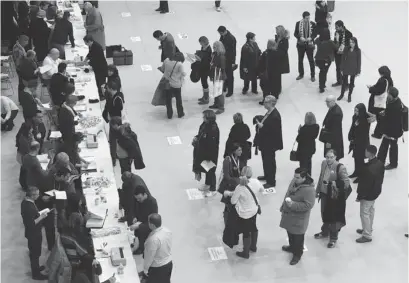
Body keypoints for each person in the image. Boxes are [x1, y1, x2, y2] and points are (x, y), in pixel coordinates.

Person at [224, 166, 262, 259]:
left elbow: (233, 201)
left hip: (244, 213)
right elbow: (262, 190)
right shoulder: (256, 182)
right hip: (254, 209)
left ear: (241, 174)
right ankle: (253, 247)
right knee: (254, 227)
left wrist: (229, 193)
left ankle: (245, 253)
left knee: (246, 232)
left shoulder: (240, 187)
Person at [314, 149, 350, 248]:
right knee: (324, 214)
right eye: (327, 157)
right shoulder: (324, 163)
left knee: (334, 217)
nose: (329, 159)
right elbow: (321, 177)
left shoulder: (340, 167)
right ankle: (325, 231)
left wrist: (334, 184)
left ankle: (333, 238)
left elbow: (346, 183)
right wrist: (318, 190)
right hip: (324, 194)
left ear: (335, 157)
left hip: (334, 197)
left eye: (331, 157)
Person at [280, 168, 315, 265]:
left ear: (304, 178)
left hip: (299, 218)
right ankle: (291, 247)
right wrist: (283, 206)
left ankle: (297, 254)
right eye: (294, 176)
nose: (295, 179)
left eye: (298, 177)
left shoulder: (309, 190)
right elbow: (287, 193)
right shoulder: (294, 181)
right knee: (290, 232)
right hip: (289, 214)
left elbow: (309, 205)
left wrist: (293, 205)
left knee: (298, 237)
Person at [356, 145, 384, 243]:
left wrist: (359, 196)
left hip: (367, 195)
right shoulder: (380, 163)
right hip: (375, 192)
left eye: (366, 151)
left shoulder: (367, 168)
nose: (365, 153)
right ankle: (368, 228)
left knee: (364, 213)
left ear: (370, 153)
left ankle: (367, 235)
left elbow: (364, 185)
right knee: (371, 211)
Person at [21, 186, 49, 280]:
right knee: (35, 254)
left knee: (35, 253)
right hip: (34, 234)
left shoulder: (26, 202)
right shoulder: (29, 207)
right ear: (32, 195)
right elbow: (31, 224)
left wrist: (38, 214)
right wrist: (42, 217)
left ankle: (36, 268)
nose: (38, 196)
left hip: (32, 233)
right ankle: (36, 274)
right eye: (37, 194)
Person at [255, 95, 283, 189]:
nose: (264, 103)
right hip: (265, 142)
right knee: (265, 160)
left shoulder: (275, 116)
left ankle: (271, 181)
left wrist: (262, 127)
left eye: (266, 102)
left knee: (269, 161)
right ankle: (267, 175)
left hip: (270, 144)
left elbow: (274, 131)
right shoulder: (270, 112)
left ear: (272, 103)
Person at [192, 110, 220, 195]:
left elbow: (211, 144)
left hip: (209, 153)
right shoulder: (205, 125)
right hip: (203, 151)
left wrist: (208, 155)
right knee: (207, 168)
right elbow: (201, 133)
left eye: (204, 117)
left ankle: (212, 187)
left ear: (208, 118)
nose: (203, 118)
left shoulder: (213, 129)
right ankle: (208, 184)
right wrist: (197, 138)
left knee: (210, 169)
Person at [139, 213, 173, 283]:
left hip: (158, 268)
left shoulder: (153, 239)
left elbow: (149, 257)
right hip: (169, 264)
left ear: (152, 225)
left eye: (148, 222)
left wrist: (145, 269)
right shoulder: (167, 231)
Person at [377, 87, 403, 170]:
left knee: (391, 146)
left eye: (389, 94)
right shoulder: (394, 101)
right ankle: (383, 161)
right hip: (393, 130)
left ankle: (391, 163)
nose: (387, 95)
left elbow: (391, 121)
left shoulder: (395, 107)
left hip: (393, 131)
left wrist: (383, 115)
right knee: (388, 145)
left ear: (393, 96)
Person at [219, 144, 245, 222]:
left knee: (235, 204)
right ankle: (226, 221)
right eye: (239, 150)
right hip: (229, 186)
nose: (241, 152)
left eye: (241, 150)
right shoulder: (228, 160)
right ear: (234, 151)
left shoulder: (239, 159)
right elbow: (226, 176)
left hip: (236, 185)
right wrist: (237, 180)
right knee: (228, 205)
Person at [129, 186, 159, 255]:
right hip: (139, 221)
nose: (138, 200)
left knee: (143, 235)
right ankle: (138, 242)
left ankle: (141, 248)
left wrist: (139, 226)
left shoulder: (152, 203)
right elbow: (133, 208)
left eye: (139, 198)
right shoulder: (137, 199)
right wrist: (134, 217)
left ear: (145, 194)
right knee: (138, 234)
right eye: (137, 199)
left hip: (147, 225)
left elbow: (152, 222)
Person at [367, 66, 393, 139]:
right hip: (383, 102)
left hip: (376, 103)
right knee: (381, 119)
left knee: (370, 116)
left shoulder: (382, 80)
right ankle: (379, 133)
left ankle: (367, 131)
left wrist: (371, 88)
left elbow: (378, 91)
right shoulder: (389, 80)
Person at [348, 103, 371, 183]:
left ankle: (361, 175)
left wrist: (355, 139)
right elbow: (352, 127)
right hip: (355, 142)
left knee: (360, 159)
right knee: (356, 158)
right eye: (355, 110)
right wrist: (350, 137)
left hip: (361, 143)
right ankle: (356, 172)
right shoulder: (355, 117)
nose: (355, 112)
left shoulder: (365, 120)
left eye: (357, 111)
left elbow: (363, 133)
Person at [160, 52, 186, 119]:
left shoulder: (166, 60)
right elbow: (183, 73)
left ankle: (169, 114)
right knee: (178, 99)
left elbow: (162, 69)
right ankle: (180, 113)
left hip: (168, 84)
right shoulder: (179, 64)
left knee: (168, 100)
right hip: (177, 84)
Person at [294, 11, 317, 82]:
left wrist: (311, 38)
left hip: (309, 44)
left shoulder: (312, 24)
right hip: (300, 45)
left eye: (309, 18)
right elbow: (295, 33)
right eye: (307, 18)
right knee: (300, 60)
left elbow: (315, 33)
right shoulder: (298, 23)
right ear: (303, 18)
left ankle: (312, 75)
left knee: (311, 60)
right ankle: (301, 74)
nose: (308, 19)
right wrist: (300, 37)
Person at [83, 35, 108, 100]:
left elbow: (96, 60)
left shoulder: (97, 47)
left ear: (89, 41)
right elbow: (90, 53)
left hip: (101, 68)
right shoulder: (92, 45)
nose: (85, 44)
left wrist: (87, 63)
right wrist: (86, 58)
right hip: (97, 67)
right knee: (97, 82)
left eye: (86, 43)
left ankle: (103, 96)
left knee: (101, 83)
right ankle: (100, 94)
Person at [314, 28, 338, 93]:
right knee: (324, 72)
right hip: (327, 60)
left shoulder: (318, 40)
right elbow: (336, 48)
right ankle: (322, 85)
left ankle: (321, 85)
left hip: (318, 59)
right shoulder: (330, 42)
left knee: (322, 72)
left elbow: (314, 43)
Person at [338, 37, 361, 102]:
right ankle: (342, 94)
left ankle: (349, 95)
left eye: (352, 42)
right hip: (346, 67)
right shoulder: (346, 48)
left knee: (351, 83)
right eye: (350, 42)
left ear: (355, 43)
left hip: (354, 68)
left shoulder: (358, 50)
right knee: (344, 82)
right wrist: (341, 68)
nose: (351, 44)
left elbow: (359, 61)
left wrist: (358, 71)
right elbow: (342, 59)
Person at [321, 95, 344, 160]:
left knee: (333, 155)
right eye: (326, 102)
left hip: (333, 139)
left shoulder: (337, 113)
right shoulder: (332, 108)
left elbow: (335, 130)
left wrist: (329, 141)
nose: (326, 103)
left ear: (333, 101)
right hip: (330, 135)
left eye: (328, 102)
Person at [332, 20, 353, 87]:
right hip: (337, 54)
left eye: (337, 27)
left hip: (345, 54)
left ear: (341, 27)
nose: (335, 28)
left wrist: (343, 50)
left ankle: (346, 84)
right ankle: (339, 81)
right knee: (338, 68)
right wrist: (336, 48)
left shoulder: (348, 33)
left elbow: (351, 45)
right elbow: (335, 42)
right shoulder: (336, 32)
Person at [217, 26, 237, 97]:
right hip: (224, 59)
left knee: (230, 75)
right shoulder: (222, 36)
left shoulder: (231, 38)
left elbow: (233, 51)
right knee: (224, 73)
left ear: (224, 31)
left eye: (220, 33)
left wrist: (233, 62)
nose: (220, 34)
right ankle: (225, 86)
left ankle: (230, 91)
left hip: (229, 60)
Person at [208, 41, 227, 114]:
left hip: (219, 75)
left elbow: (222, 67)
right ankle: (216, 104)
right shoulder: (214, 54)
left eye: (215, 47)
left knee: (219, 92)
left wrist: (213, 65)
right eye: (213, 46)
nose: (213, 48)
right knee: (215, 91)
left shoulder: (221, 56)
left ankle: (221, 107)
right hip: (215, 74)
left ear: (218, 47)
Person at [16, 122, 34, 190]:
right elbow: (28, 150)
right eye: (31, 128)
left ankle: (24, 184)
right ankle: (25, 185)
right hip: (24, 157)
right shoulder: (23, 139)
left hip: (24, 155)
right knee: (25, 171)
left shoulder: (26, 135)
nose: (32, 129)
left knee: (24, 170)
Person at [12, 34, 29, 99]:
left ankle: (21, 98)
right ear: (22, 41)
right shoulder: (18, 49)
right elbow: (18, 62)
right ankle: (22, 98)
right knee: (22, 85)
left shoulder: (19, 46)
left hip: (21, 69)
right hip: (21, 69)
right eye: (26, 41)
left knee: (22, 85)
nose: (27, 43)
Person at [197, 36, 212, 105]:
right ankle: (204, 96)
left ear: (204, 42)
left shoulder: (209, 49)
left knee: (205, 83)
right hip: (202, 67)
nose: (200, 44)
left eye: (201, 43)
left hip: (206, 68)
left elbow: (207, 60)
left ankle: (206, 98)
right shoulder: (203, 47)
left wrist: (200, 59)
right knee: (203, 83)